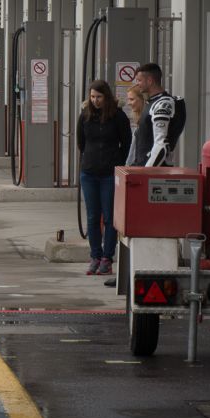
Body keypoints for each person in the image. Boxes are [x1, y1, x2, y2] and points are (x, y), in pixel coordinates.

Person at [76, 80, 132, 276]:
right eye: (92, 97)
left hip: (109, 174)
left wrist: (118, 164)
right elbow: (81, 143)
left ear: (106, 97)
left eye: (99, 97)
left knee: (109, 217)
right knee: (92, 217)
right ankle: (95, 256)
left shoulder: (118, 117)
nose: (95, 100)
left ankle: (107, 258)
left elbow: (126, 144)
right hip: (89, 172)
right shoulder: (85, 116)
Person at [132, 63, 178, 167]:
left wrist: (147, 173)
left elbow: (161, 145)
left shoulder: (163, 103)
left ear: (150, 81)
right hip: (144, 168)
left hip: (154, 175)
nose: (137, 84)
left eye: (139, 80)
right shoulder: (152, 102)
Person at [125, 84, 146, 166]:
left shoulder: (146, 121)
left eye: (131, 99)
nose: (128, 103)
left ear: (142, 99)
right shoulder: (139, 120)